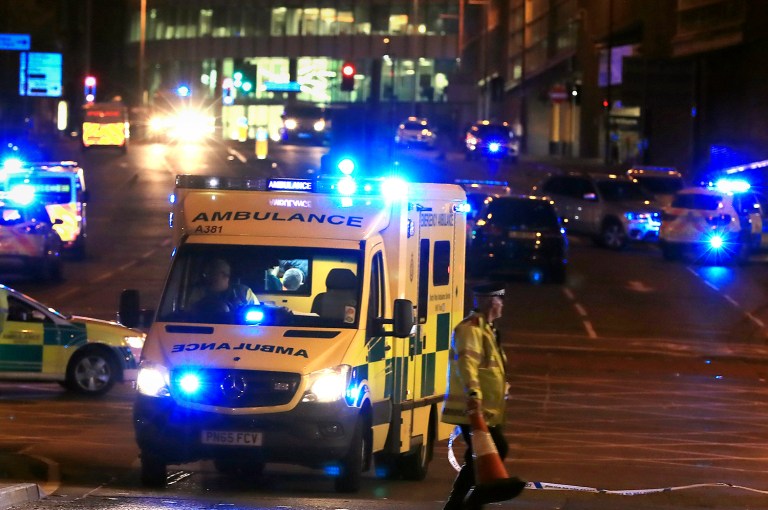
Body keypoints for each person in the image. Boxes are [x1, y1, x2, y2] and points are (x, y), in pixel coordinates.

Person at [441, 282, 522, 509]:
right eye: (500, 300)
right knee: (496, 448)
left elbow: (491, 368)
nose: (502, 305)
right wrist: (474, 393)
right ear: (491, 302)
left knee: (476, 457)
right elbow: (468, 363)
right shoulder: (471, 328)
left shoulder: (487, 329)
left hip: (485, 410)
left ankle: (459, 504)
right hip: (472, 409)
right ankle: (472, 501)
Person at [189, 258, 258, 315]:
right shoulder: (198, 292)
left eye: (211, 273)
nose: (206, 277)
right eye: (206, 274)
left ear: (224, 275)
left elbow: (258, 313)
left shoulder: (243, 292)